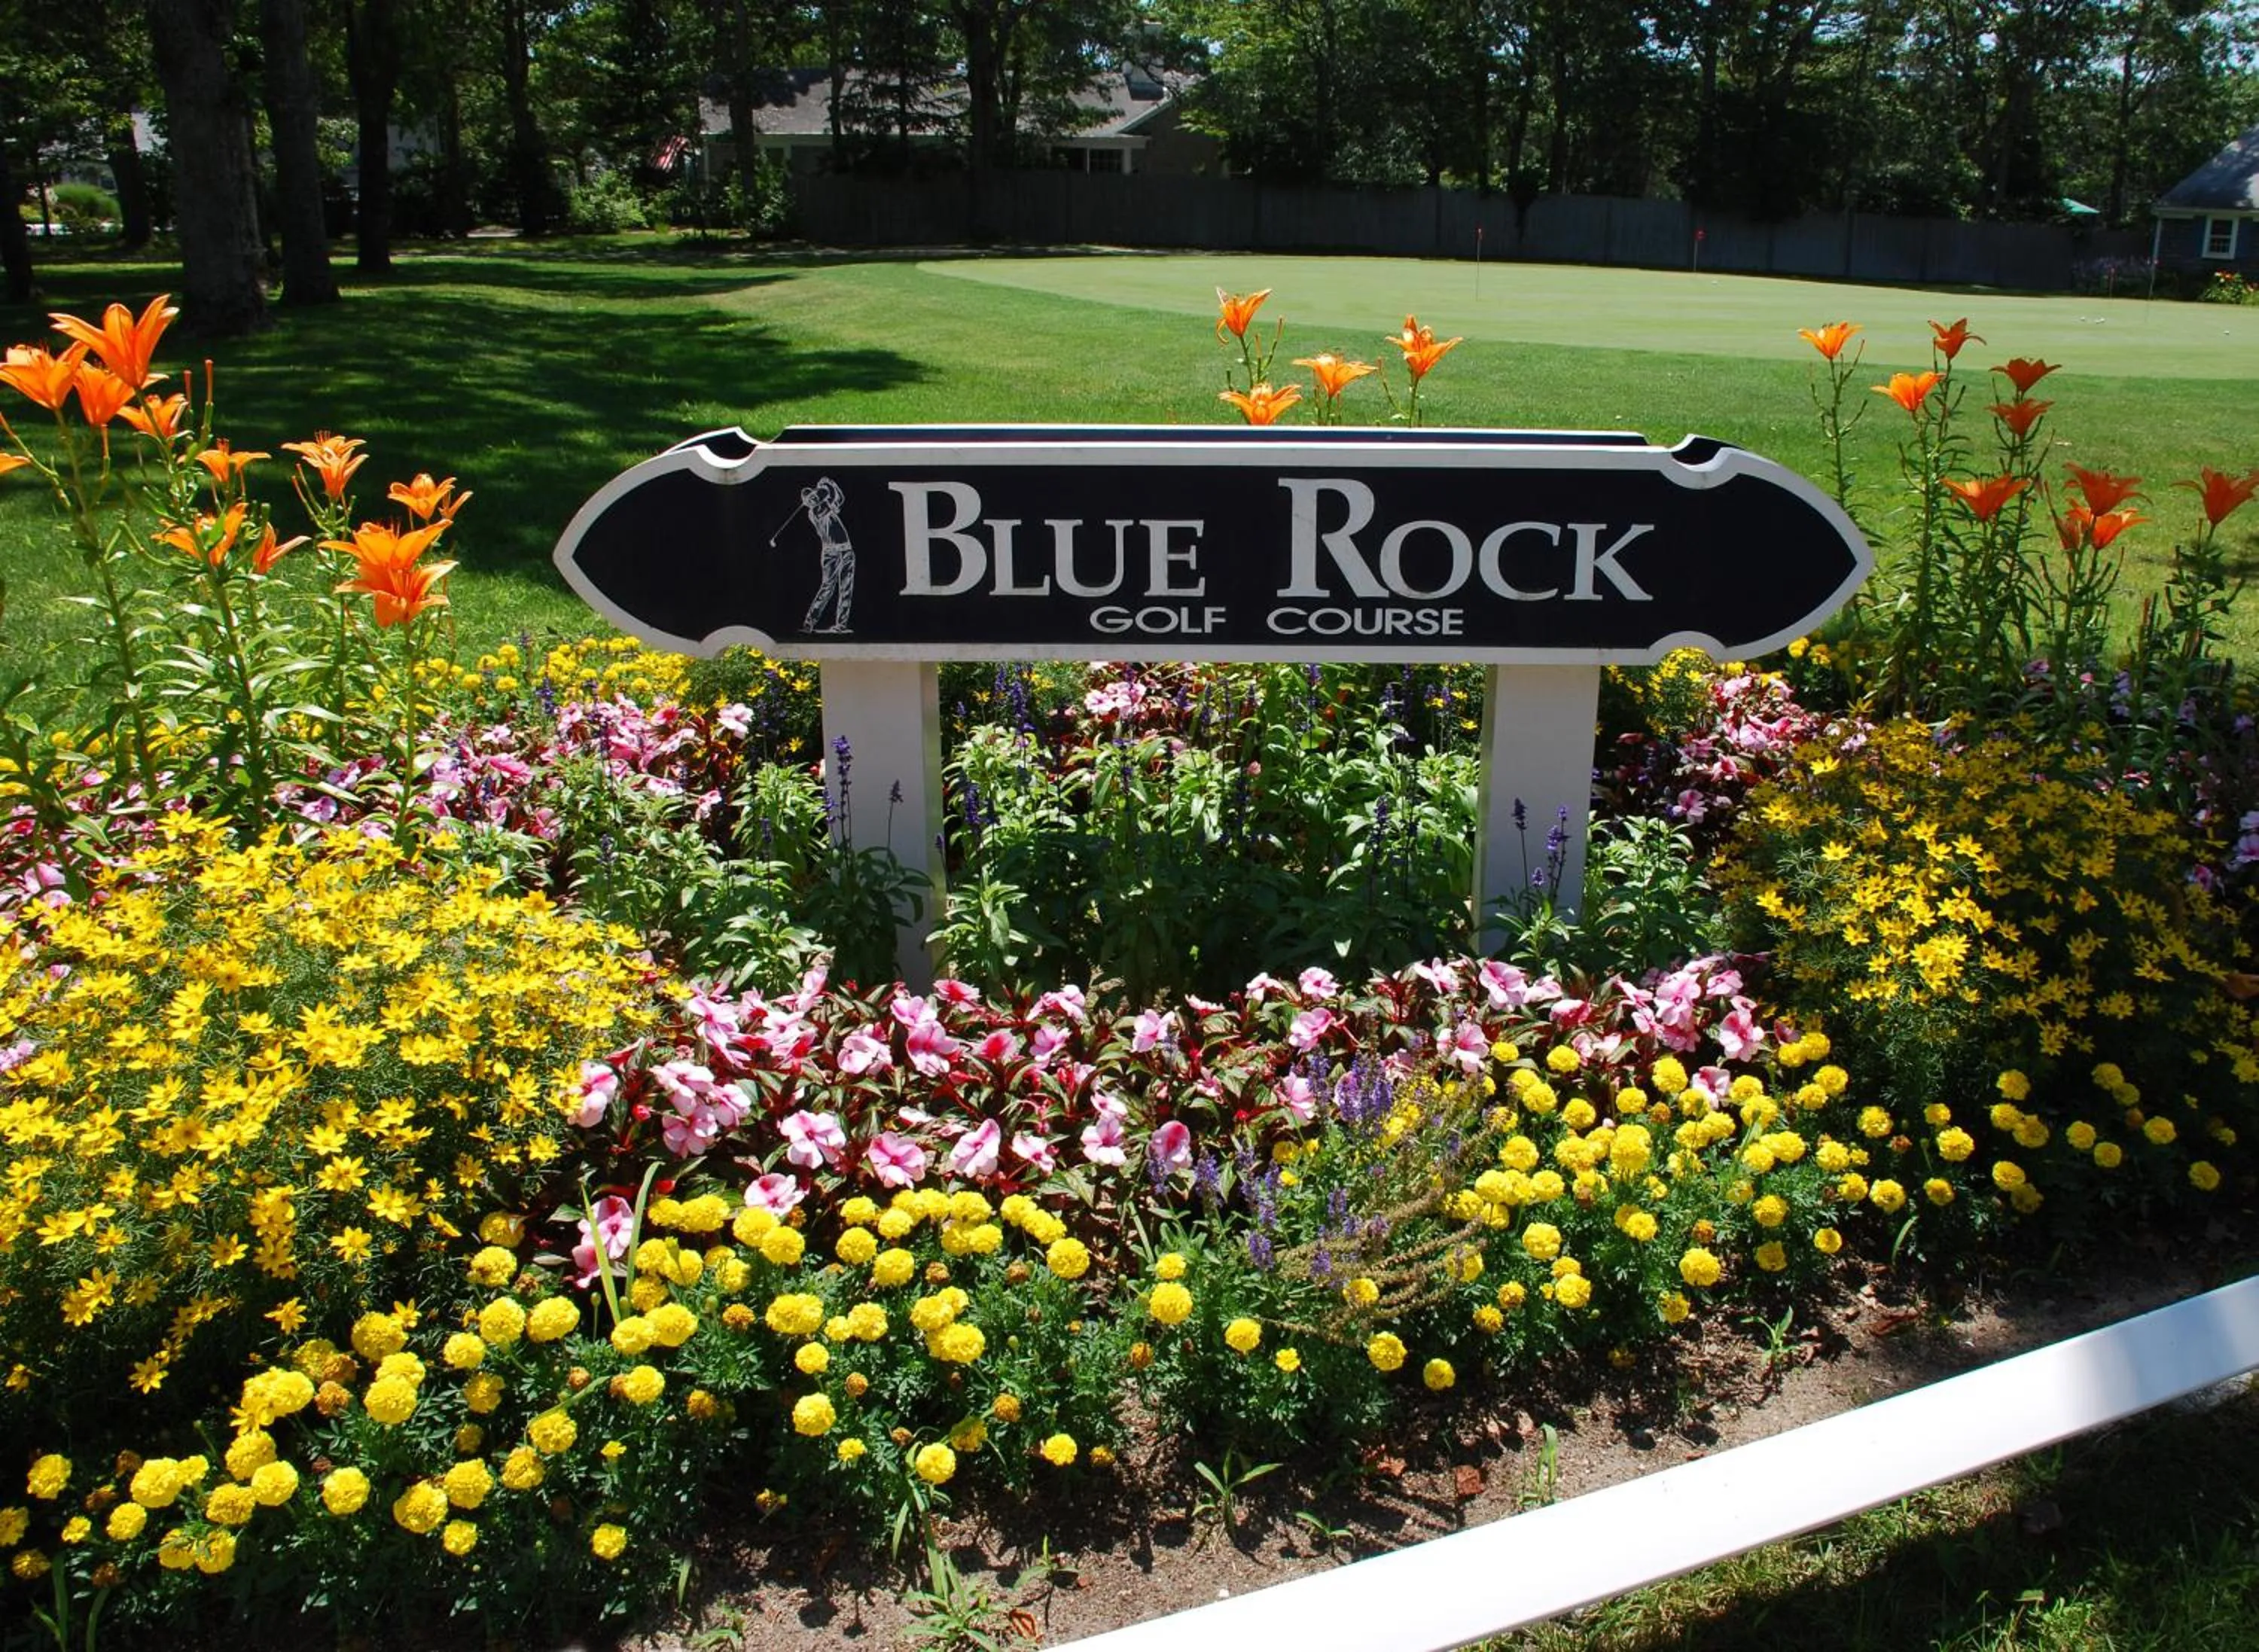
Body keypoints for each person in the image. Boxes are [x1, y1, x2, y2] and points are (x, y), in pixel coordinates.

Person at [799, 476, 855, 633]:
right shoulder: (817, 512)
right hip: (832, 553)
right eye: (810, 498)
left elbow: (838, 497)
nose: (812, 499)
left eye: (814, 497)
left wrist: (824, 483)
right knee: (827, 588)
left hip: (847, 550)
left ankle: (841, 625)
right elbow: (835, 496)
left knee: (846, 589)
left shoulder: (827, 506)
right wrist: (824, 485)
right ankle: (809, 623)